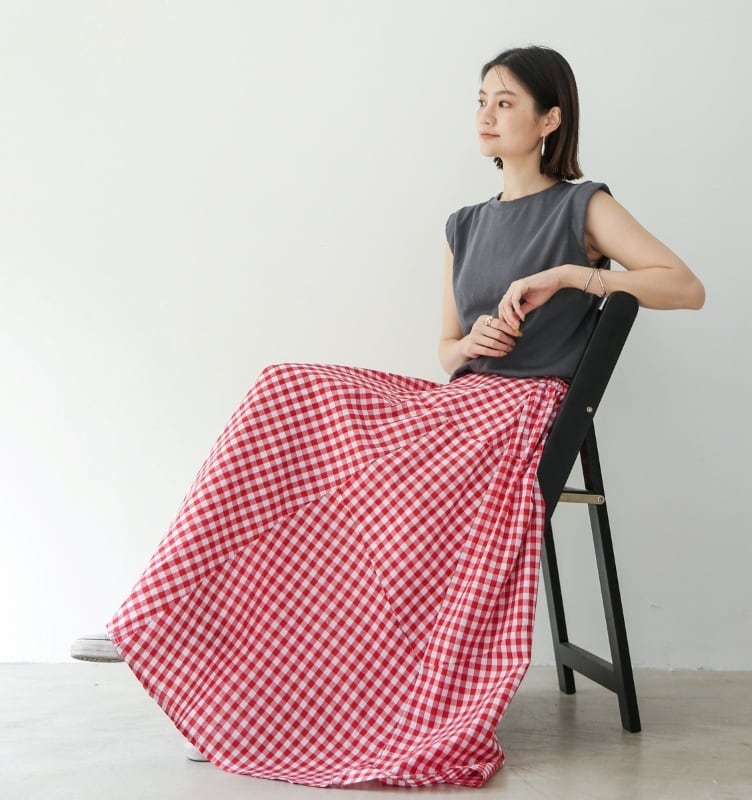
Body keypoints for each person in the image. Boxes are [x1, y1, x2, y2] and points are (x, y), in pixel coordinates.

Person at [71, 45, 704, 787]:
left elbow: (684, 286)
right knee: (287, 391)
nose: (486, 114)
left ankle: (212, 662)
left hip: (516, 412)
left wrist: (572, 275)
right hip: (462, 401)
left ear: (549, 119)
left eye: (505, 102)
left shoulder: (582, 205)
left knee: (351, 494)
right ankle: (172, 627)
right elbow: (446, 350)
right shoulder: (464, 225)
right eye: (481, 100)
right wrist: (474, 341)